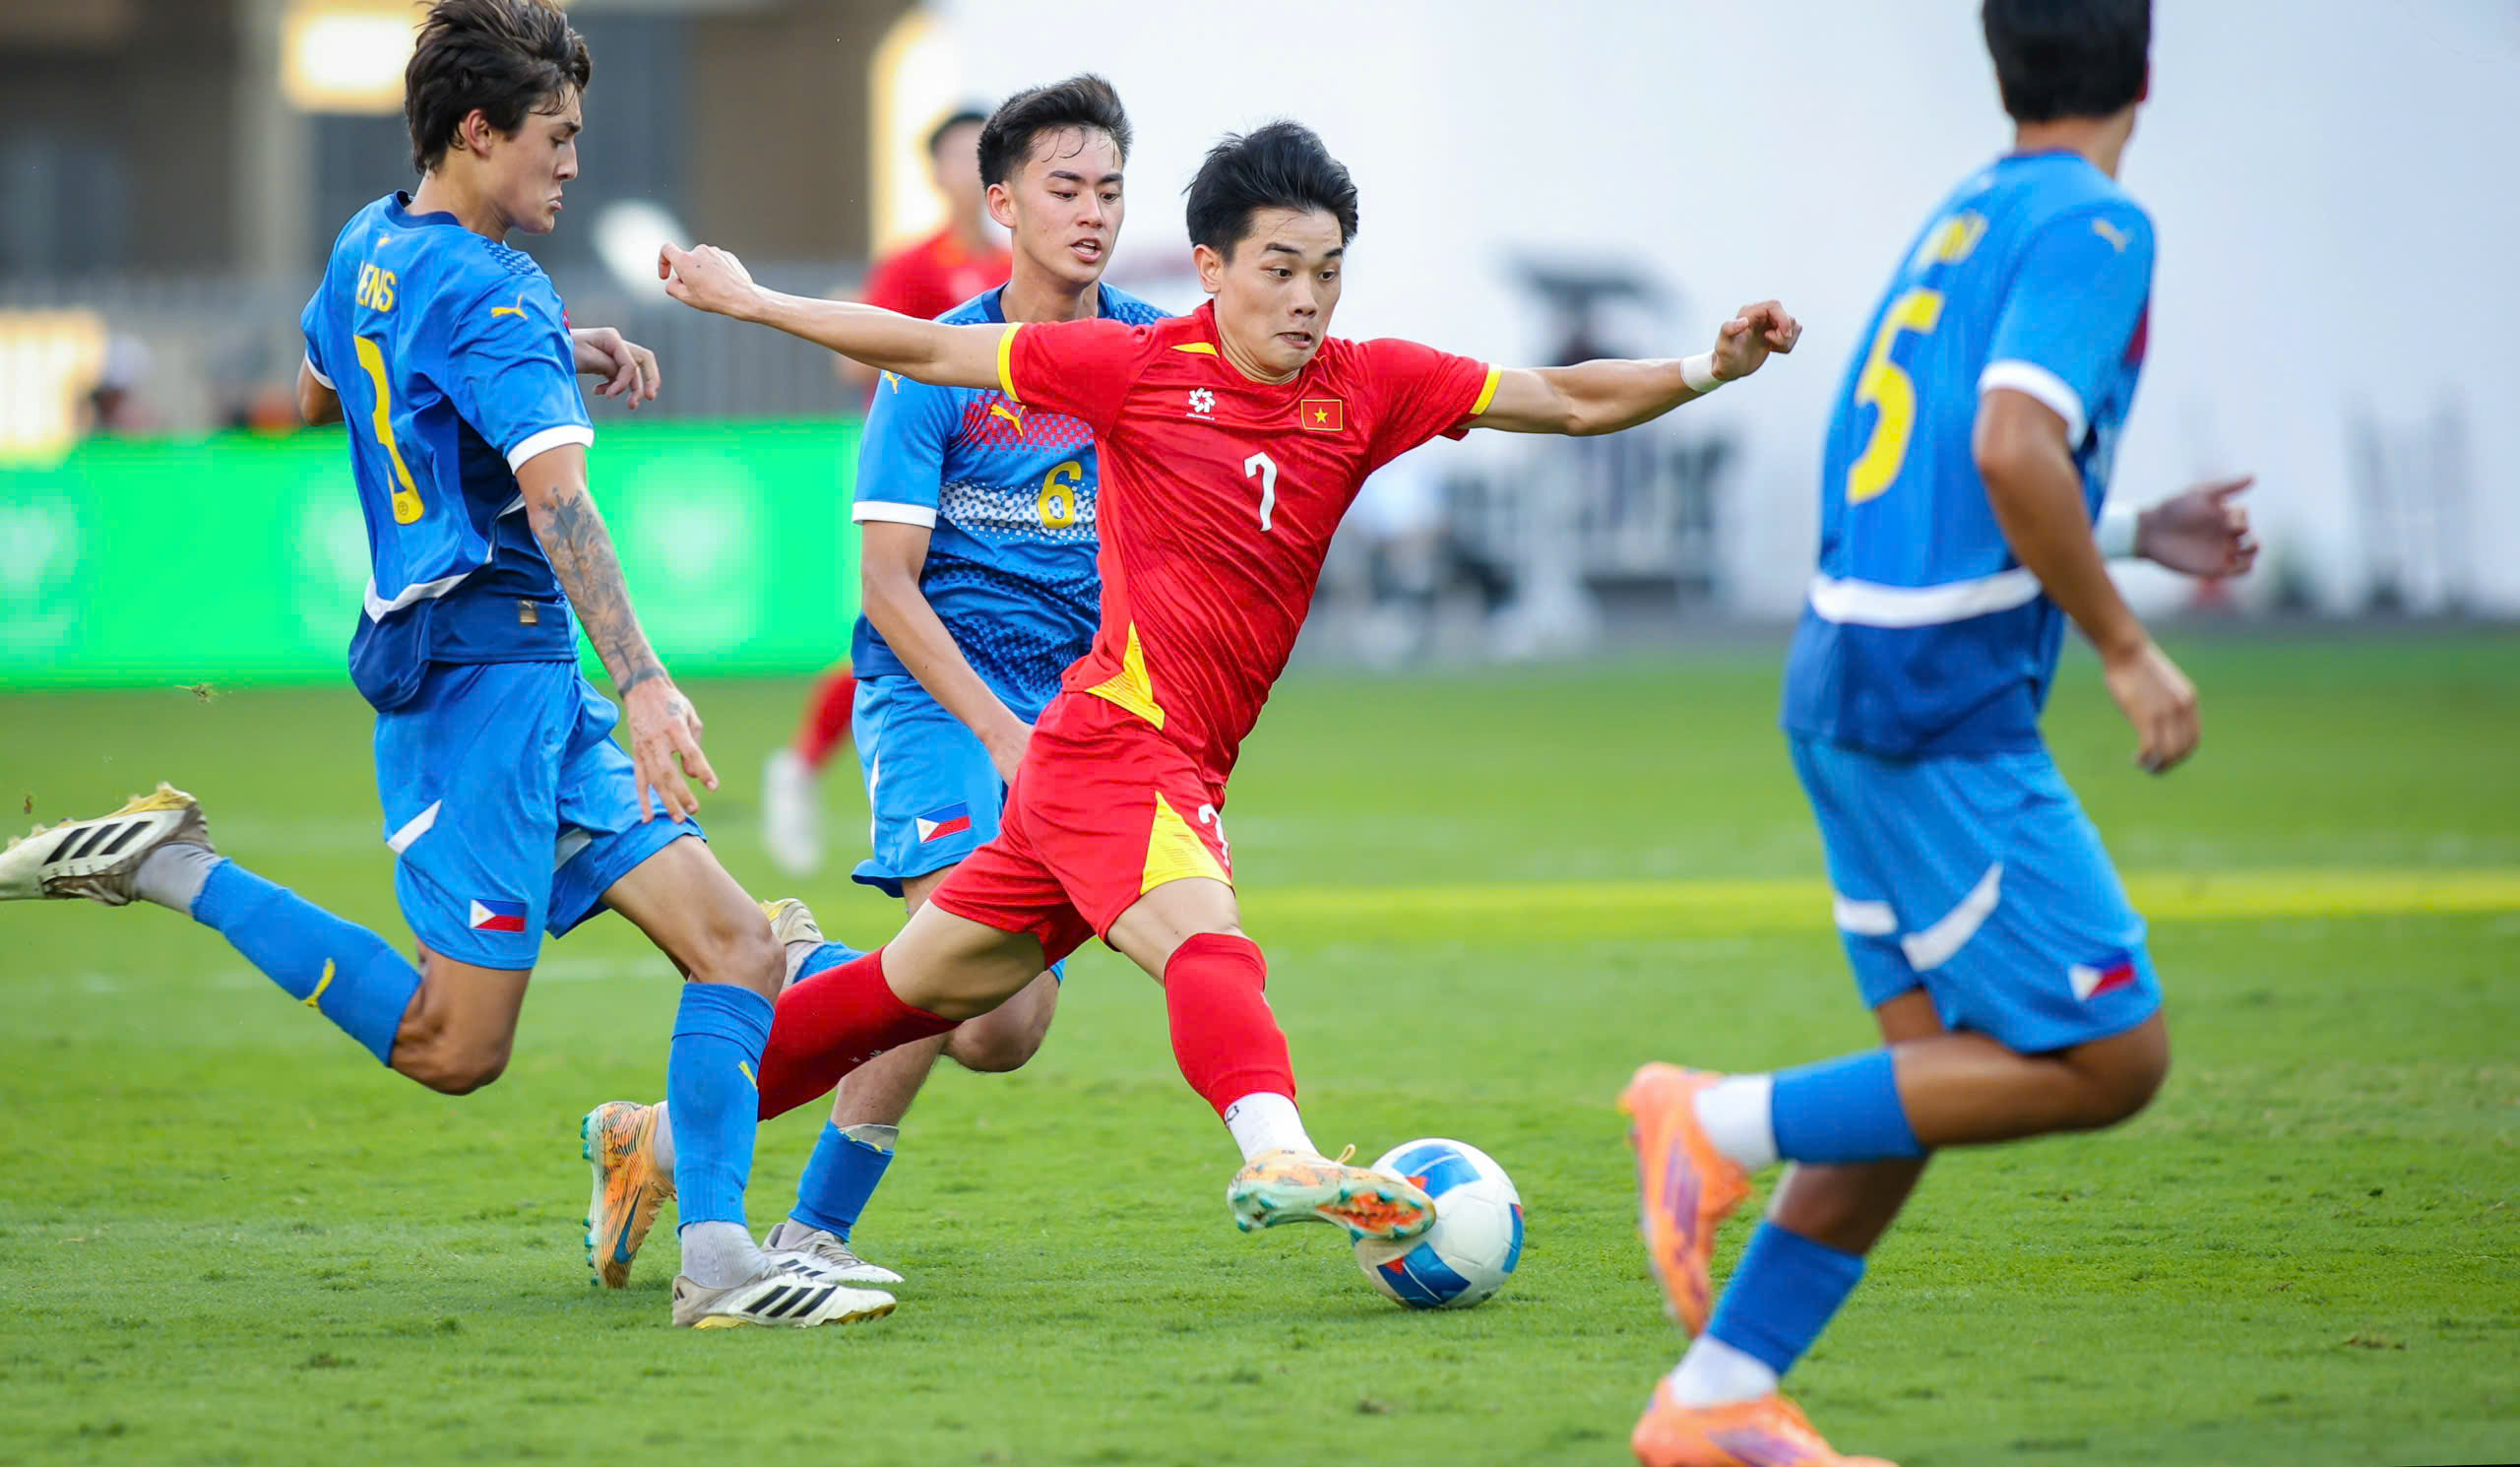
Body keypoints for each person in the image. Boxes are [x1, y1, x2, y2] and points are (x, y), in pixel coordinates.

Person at [657, 120, 1801, 1257]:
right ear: (1210, 269)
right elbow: (927, 349)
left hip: (1139, 758)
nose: (1307, 299)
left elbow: (1562, 397)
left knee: (900, 1001)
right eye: (1280, 268)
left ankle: (652, 1140)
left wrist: (1709, 366)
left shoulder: (1371, 387)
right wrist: (755, 302)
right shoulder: (1138, 366)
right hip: (1120, 741)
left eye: (1328, 271)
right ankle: (1276, 1146)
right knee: (1207, 936)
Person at [0, 0, 890, 1332]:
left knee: (736, 946)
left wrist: (543, 355)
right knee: (453, 1046)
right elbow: (560, 504)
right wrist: (647, 678)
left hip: (522, 678)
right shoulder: (493, 295)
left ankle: (719, 1262)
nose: (575, 162)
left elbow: (327, 378)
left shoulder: (371, 243)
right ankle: (173, 866)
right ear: (478, 131)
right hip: (480, 692)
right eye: (556, 135)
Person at [1620, 0, 2259, 1467]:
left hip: (1844, 673)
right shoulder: (2099, 229)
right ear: (2145, 78)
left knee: (1926, 1084)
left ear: (2004, 70)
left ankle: (1712, 1403)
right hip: (1937, 700)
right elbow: (2005, 452)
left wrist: (2123, 528)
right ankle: (1709, 1118)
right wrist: (2124, 640)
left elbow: (1939, 470)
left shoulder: (1965, 217)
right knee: (2118, 1056)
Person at [584, 74, 1167, 1289]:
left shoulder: (1155, 354)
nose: (1093, 212)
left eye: (1110, 188)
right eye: (1065, 188)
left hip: (1070, 717)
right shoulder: (939, 368)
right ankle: (809, 1233)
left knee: (1002, 1030)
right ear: (1001, 202)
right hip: (941, 693)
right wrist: (1004, 731)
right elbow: (889, 590)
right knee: (961, 973)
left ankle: (785, 998)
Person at [764, 107, 1014, 875]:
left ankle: (808, 763)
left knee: (958, 629)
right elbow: (853, 364)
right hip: (919, 476)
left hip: (1003, 483)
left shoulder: (1019, 271)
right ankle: (803, 763)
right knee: (906, 622)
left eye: (983, 157)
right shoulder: (914, 267)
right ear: (936, 173)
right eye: (956, 157)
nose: (970, 172)